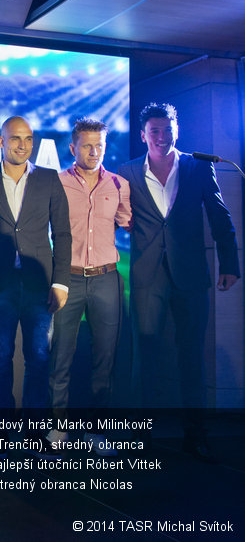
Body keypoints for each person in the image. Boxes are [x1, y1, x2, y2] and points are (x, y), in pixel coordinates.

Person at [119, 103, 239, 463]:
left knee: (192, 357)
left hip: (190, 275)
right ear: (143, 135)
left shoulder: (198, 166)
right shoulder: (125, 172)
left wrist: (229, 264)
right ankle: (142, 438)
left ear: (177, 129)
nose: (161, 136)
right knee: (146, 357)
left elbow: (220, 216)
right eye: (154, 130)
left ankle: (196, 434)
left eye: (167, 128)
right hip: (146, 277)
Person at [0, 115, 71, 459]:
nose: (23, 144)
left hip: (39, 284)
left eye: (28, 139)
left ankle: (34, 435)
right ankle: (1, 436)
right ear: (1, 141)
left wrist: (61, 282)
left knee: (38, 358)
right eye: (15, 138)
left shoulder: (49, 179)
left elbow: (62, 233)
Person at [48, 118, 130, 456]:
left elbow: (128, 220)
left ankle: (96, 431)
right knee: (61, 356)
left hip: (107, 278)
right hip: (67, 278)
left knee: (104, 358)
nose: (94, 151)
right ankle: (56, 428)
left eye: (99, 145)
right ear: (72, 148)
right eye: (86, 145)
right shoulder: (56, 183)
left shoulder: (119, 185)